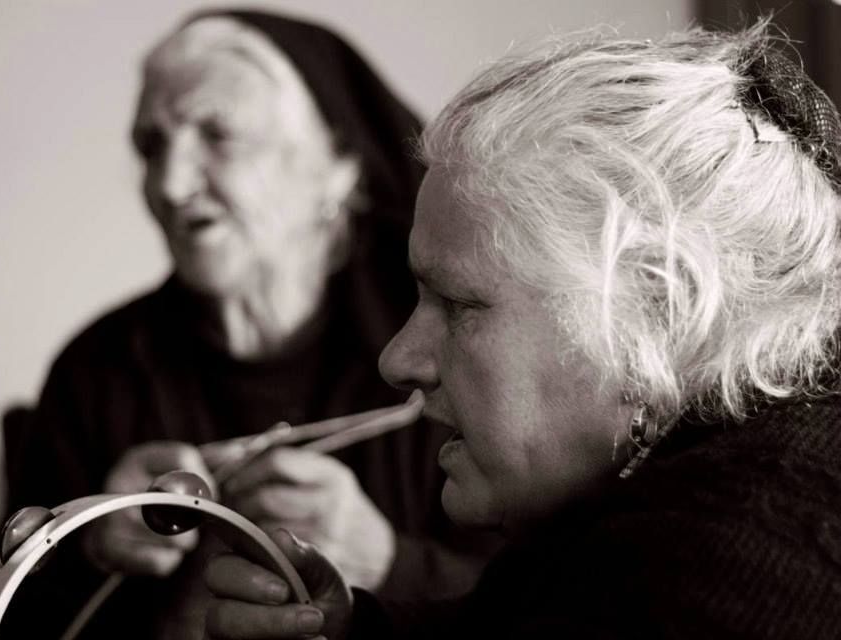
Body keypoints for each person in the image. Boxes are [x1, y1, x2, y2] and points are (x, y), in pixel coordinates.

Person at [200, 21, 841, 639]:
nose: (398, 360)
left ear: (663, 310)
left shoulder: (741, 563)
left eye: (459, 304)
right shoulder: (635, 509)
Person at [0, 9, 493, 640]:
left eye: (219, 134)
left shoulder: (441, 357)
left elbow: (556, 600)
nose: (170, 185)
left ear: (339, 164)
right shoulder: (97, 371)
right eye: (151, 146)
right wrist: (89, 546)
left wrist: (393, 564)